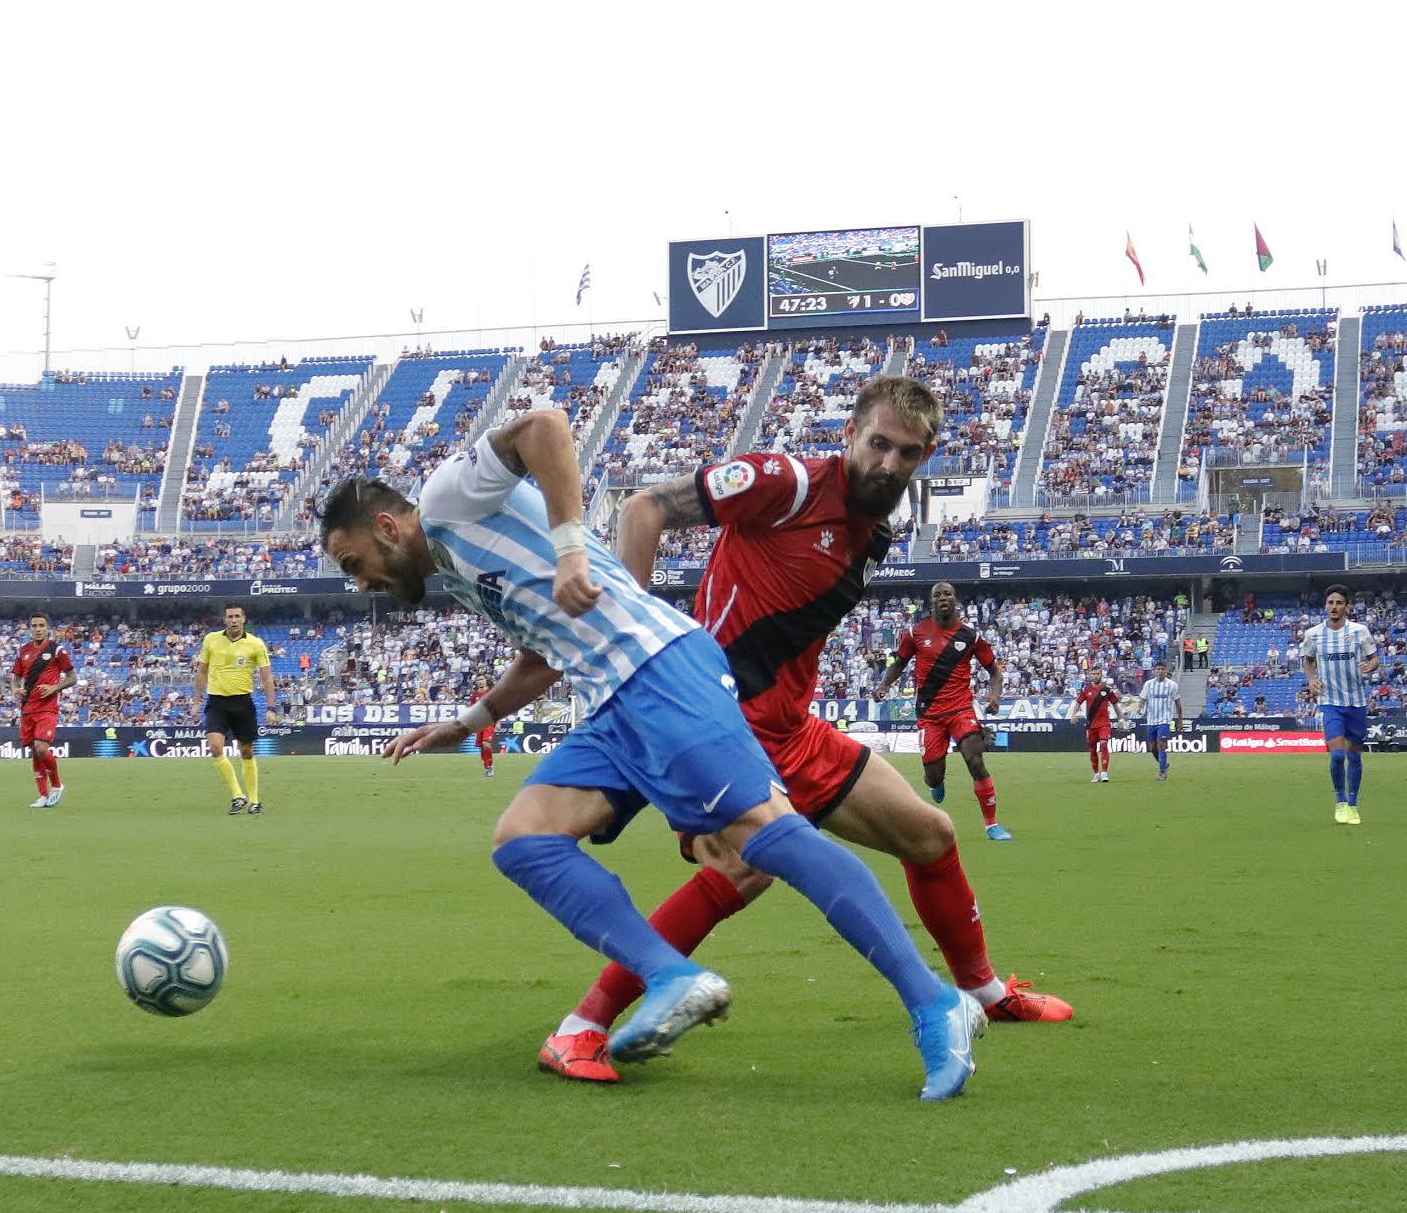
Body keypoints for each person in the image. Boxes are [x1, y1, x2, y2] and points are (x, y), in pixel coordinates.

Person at [318, 406, 985, 1101]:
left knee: (766, 837)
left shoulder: (445, 499)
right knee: (524, 839)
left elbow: (544, 427)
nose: (359, 583)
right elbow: (544, 654)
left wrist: (572, 549)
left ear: (387, 528)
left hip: (658, 667)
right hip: (609, 698)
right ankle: (671, 977)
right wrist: (470, 720)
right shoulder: (458, 564)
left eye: (354, 564)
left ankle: (936, 1003)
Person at [536, 378, 1071, 1084]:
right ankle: (580, 1029)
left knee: (931, 835)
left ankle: (984, 992)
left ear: (926, 456)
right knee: (741, 870)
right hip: (723, 723)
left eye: (907, 453)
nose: (888, 463)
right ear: (849, 434)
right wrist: (635, 643)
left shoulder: (875, 532)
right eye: (877, 443)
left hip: (791, 727)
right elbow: (643, 508)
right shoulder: (782, 482)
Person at [880, 581, 1011, 840]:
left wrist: (995, 695)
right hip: (929, 714)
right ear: (932, 602)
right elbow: (899, 664)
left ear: (955, 600)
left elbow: (995, 672)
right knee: (933, 775)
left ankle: (992, 825)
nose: (943, 598)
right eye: (937, 595)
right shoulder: (915, 632)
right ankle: (937, 782)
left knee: (975, 759)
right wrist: (884, 685)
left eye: (947, 594)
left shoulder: (971, 636)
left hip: (961, 708)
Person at [1299, 584, 1378, 823]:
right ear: (1325, 606)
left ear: (1347, 607)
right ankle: (1341, 801)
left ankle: (1353, 805)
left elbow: (1374, 659)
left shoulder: (1360, 631)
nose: (1334, 607)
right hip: (1330, 702)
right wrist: (1311, 679)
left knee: (1354, 756)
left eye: (1339, 603)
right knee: (1336, 756)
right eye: (1330, 603)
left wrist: (1369, 666)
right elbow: (1308, 660)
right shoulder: (1313, 634)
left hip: (1356, 702)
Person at [197, 603, 273, 815]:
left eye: (237, 616)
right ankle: (237, 796)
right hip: (217, 702)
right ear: (224, 620)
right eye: (230, 617)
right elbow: (201, 672)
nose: (233, 620)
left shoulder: (256, 644)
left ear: (244, 619)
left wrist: (271, 707)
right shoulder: (211, 640)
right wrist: (196, 701)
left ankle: (254, 800)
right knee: (215, 747)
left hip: (242, 703)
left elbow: (267, 677)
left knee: (246, 751)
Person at [11, 615, 75, 808]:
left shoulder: (57, 650)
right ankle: (43, 795)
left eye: (41, 625)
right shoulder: (23, 651)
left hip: (47, 708)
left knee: (41, 748)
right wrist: (15, 690)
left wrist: (54, 687)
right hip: (27, 709)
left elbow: (72, 677)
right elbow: (15, 679)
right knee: (35, 751)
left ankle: (57, 785)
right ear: (30, 629)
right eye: (34, 626)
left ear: (48, 628)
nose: (38, 629)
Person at [1137, 659, 1182, 780]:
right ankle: (1164, 763)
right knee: (1152, 748)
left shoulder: (1172, 685)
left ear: (1166, 671)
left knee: (1161, 745)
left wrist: (1180, 720)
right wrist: (1140, 707)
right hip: (1151, 720)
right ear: (1154, 671)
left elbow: (1177, 703)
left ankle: (1162, 773)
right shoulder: (1148, 684)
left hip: (1165, 720)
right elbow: (1143, 698)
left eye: (1162, 669)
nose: (1160, 671)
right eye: (1158, 669)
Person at [1076, 664, 1120, 783]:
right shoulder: (1086, 690)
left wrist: (1121, 719)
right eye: (1094, 674)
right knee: (1092, 749)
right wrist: (1073, 714)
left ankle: (1104, 773)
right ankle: (1096, 774)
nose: (1096, 676)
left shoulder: (1107, 689)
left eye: (1098, 674)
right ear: (1090, 675)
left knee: (1104, 744)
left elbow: (1115, 704)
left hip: (1104, 723)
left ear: (1101, 674)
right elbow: (1078, 702)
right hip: (1091, 724)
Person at [473, 696, 499, 777]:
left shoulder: (490, 699)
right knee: (482, 747)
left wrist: (498, 722)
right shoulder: (476, 699)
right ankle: (487, 768)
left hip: (489, 724)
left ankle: (491, 766)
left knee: (486, 744)